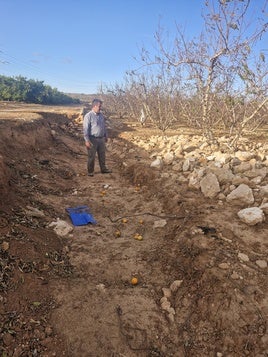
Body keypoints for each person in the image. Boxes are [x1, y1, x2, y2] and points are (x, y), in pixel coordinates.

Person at [83, 99, 112, 176]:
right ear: (94, 106)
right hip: (92, 139)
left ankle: (103, 169)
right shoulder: (88, 116)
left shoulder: (101, 115)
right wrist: (87, 140)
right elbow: (85, 129)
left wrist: (106, 135)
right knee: (91, 156)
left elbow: (103, 126)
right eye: (99, 106)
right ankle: (90, 171)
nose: (100, 108)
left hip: (101, 139)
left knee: (102, 155)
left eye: (100, 106)